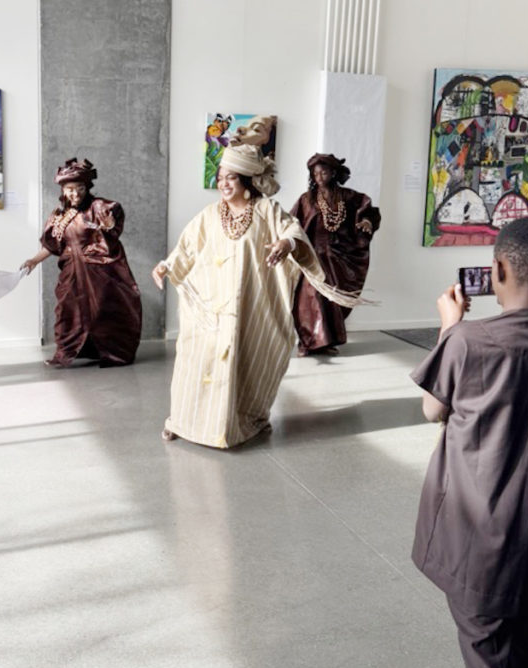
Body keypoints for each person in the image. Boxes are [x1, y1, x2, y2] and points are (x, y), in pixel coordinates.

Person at [410, 216, 528, 668]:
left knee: (485, 643)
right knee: (520, 627)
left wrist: (450, 326)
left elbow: (433, 409)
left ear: (497, 271)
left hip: (478, 525)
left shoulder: (469, 340)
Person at [152, 144, 367, 448]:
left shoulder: (267, 211)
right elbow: (187, 248)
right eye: (221, 178)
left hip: (252, 306)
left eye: (232, 178)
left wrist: (286, 245)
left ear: (248, 181)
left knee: (247, 364)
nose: (224, 184)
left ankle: (241, 422)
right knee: (198, 361)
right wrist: (166, 266)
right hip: (213, 308)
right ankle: (184, 422)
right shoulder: (210, 215)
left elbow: (292, 231)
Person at [23, 158, 141, 367]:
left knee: (102, 311)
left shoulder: (97, 207)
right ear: (63, 190)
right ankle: (65, 353)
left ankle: (113, 353)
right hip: (71, 271)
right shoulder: (59, 215)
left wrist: (110, 224)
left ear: (87, 187)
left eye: (80, 188)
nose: (75, 194)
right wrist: (33, 260)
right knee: (68, 311)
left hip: (99, 270)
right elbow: (52, 246)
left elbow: (112, 223)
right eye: (70, 189)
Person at [291, 153, 380, 356]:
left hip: (339, 257)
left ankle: (325, 342)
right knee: (308, 298)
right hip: (313, 257)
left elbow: (368, 211)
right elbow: (291, 223)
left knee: (332, 300)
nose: (319, 177)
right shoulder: (307, 199)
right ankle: (307, 342)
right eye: (315, 174)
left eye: (323, 172)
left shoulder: (349, 197)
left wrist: (366, 221)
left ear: (333, 173)